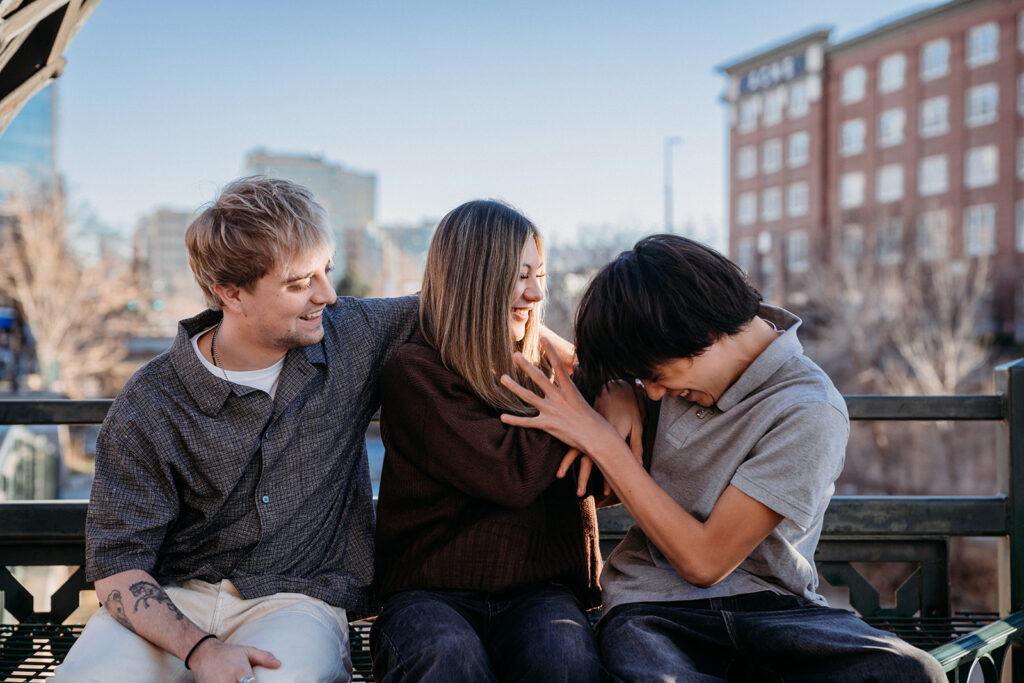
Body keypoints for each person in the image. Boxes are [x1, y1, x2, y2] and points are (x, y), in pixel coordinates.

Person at [500, 234, 947, 682]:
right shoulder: (676, 360)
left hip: (775, 610)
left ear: (705, 333)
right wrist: (614, 386)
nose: (652, 392)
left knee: (912, 672)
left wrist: (603, 444)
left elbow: (705, 563)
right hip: (654, 611)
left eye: (655, 377)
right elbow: (550, 347)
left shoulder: (807, 409)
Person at [55, 177, 418, 683]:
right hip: (172, 599)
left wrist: (565, 367)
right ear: (231, 293)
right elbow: (119, 564)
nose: (328, 296)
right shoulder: (151, 401)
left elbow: (473, 306)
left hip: (299, 600)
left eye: (327, 271)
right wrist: (200, 649)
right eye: (299, 284)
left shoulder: (353, 336)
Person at [369, 200, 604, 682]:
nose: (536, 294)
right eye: (521, 276)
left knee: (564, 656)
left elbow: (599, 480)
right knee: (445, 656)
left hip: (544, 592)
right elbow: (509, 475)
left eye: (540, 275)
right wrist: (580, 412)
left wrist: (601, 397)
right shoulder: (417, 373)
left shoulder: (549, 372)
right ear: (476, 279)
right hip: (429, 597)